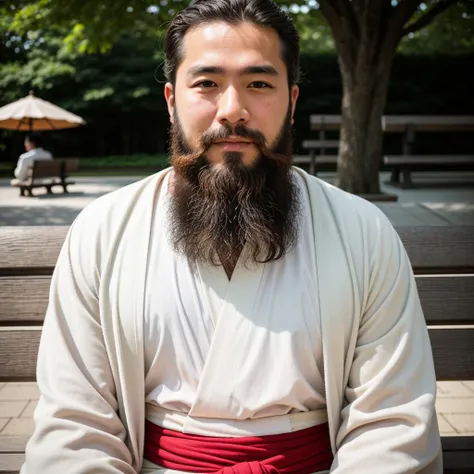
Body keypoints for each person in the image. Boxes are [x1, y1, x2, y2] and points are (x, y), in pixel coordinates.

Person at [21, 0, 442, 472]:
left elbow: (392, 420)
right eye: (206, 83)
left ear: (293, 99)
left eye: (259, 84)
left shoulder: (363, 232)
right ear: (171, 99)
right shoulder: (103, 231)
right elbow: (75, 425)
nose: (233, 110)